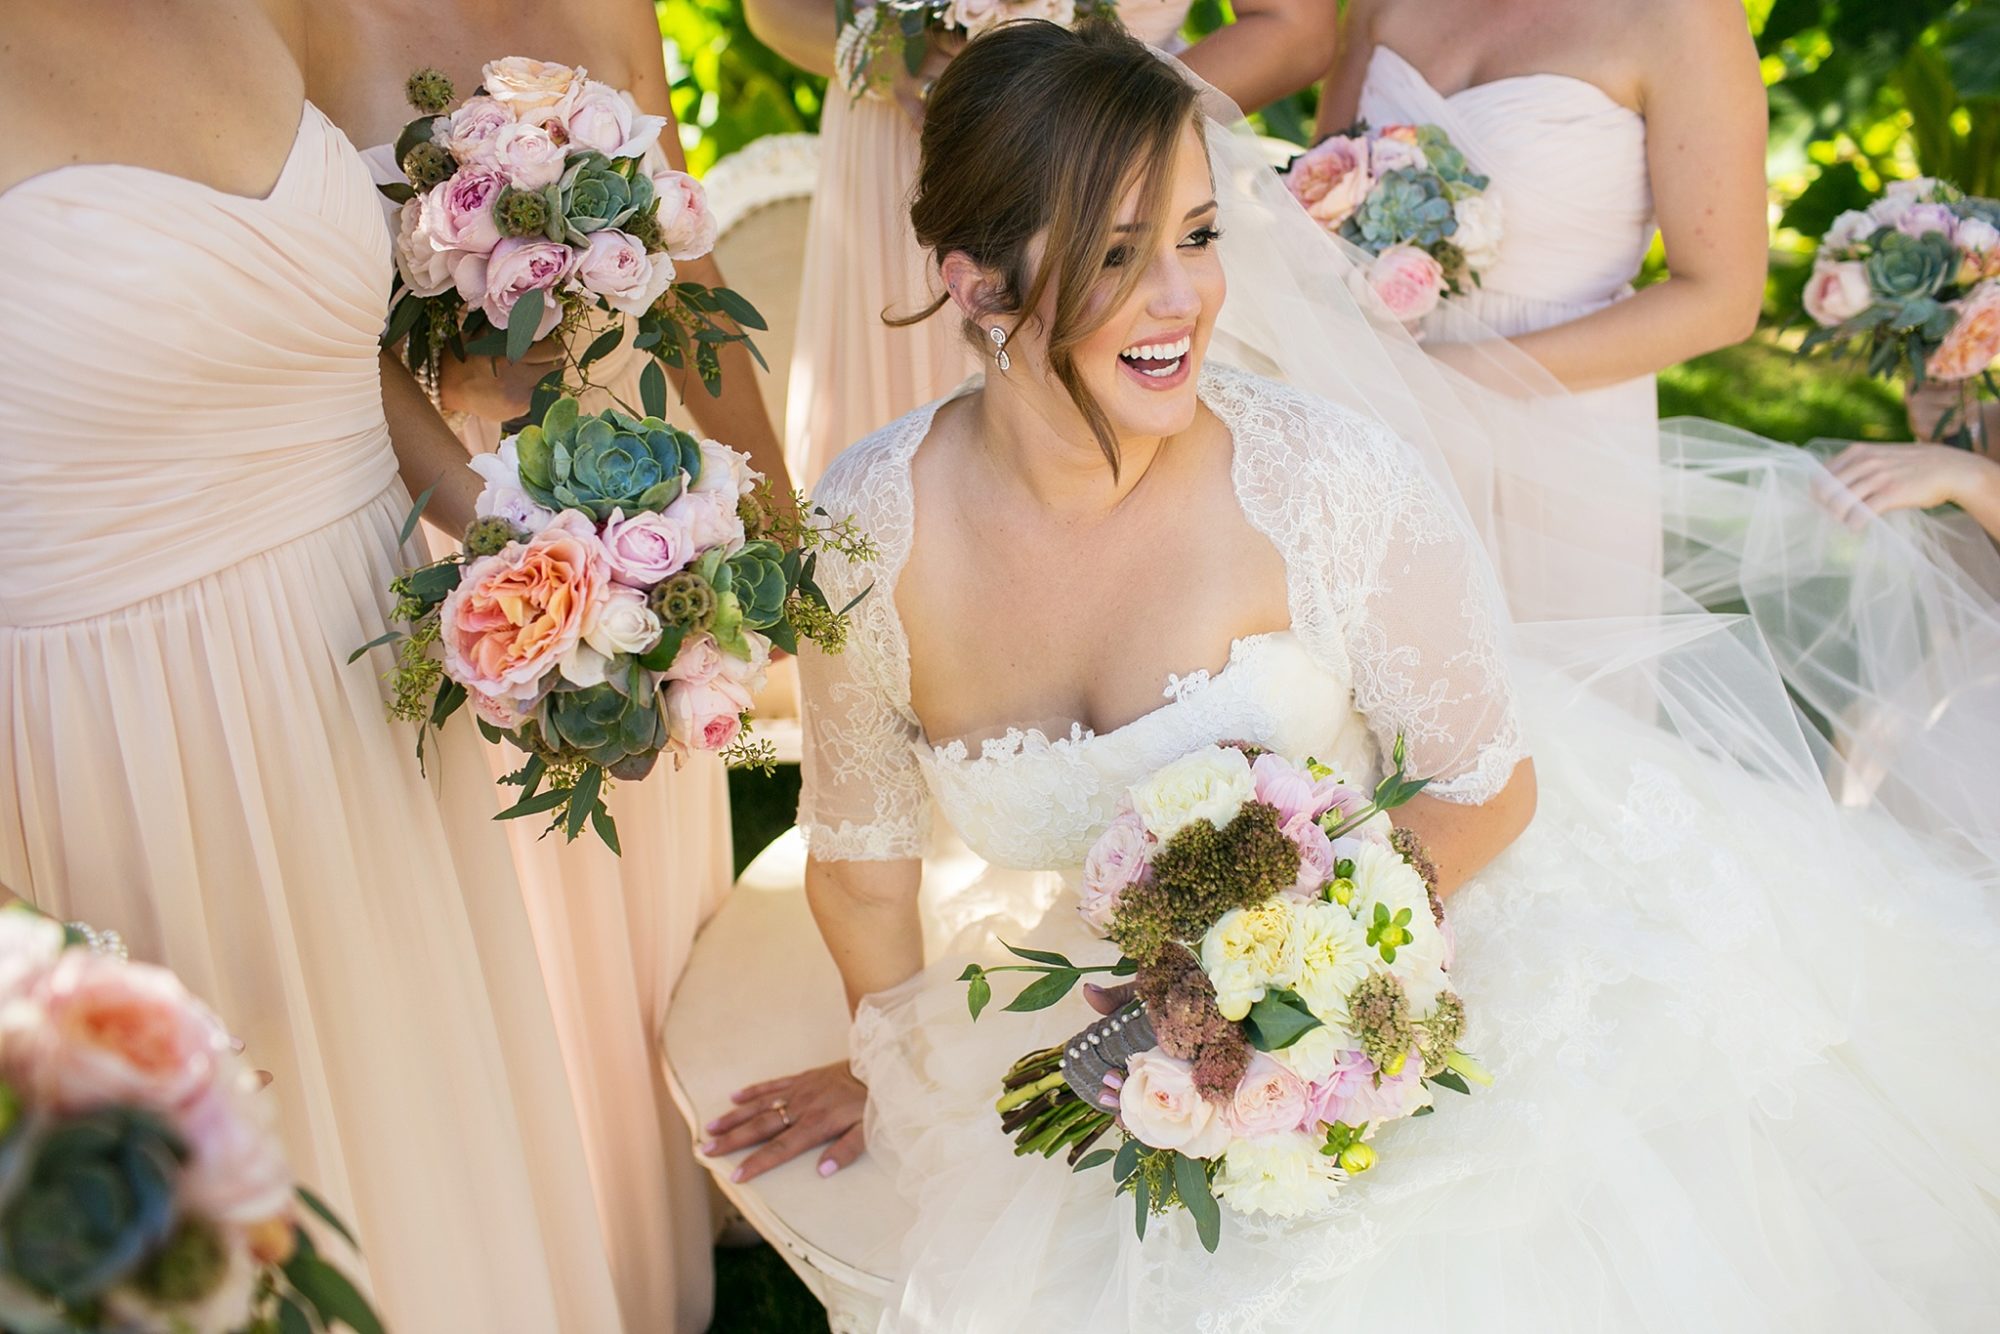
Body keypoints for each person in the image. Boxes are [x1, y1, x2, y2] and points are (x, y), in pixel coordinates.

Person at [706, 22, 2000, 1330]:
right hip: (1127, 994)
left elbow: (1487, 787)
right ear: (976, 285)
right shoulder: (873, 529)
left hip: (1441, 937)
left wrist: (1287, 985)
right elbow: (867, 869)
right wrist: (897, 1063)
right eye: (1116, 253)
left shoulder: (1327, 478)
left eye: (1200, 237)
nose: (1182, 299)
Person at [0, 1, 624, 1328]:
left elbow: (334, 363)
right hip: (140, 748)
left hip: (372, 683)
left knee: (434, 1118)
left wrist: (526, 536)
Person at [306, 7, 795, 1327]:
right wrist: (506, 524)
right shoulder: (290, 22)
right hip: (458, 538)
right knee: (514, 921)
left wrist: (779, 505)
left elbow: (685, 265)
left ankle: (670, 1197)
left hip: (635, 494)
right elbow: (307, 328)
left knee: (644, 875)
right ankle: (559, 1251)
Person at [744, 0, 1341, 487]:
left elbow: (1296, 31)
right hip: (897, 168)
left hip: (1116, 171)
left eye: (1200, 237)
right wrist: (896, 60)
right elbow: (771, 11)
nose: (1183, 297)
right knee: (892, 505)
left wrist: (1098, 125)